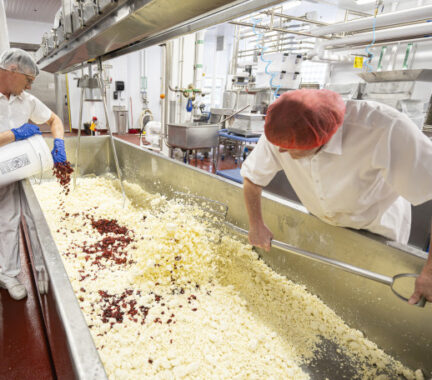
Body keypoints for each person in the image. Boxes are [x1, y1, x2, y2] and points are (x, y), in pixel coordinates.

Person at [240, 88, 432, 305]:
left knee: (368, 299)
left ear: (323, 141)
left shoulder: (385, 128)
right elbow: (252, 178)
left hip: (376, 227)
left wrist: (430, 270)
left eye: (291, 149)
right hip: (322, 222)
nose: (281, 152)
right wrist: (256, 224)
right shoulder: (284, 126)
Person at [0, 48, 67, 300]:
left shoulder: (25, 101)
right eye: (28, 80)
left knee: (8, 219)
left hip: (8, 170)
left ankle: (8, 274)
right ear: (12, 70)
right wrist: (13, 135)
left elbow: (54, 121)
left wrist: (59, 144)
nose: (29, 87)